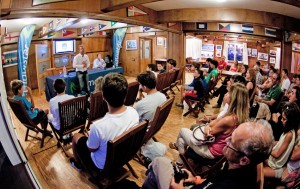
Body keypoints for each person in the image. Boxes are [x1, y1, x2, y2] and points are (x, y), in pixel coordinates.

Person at [143, 120, 274, 189]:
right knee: (158, 167)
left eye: (231, 142)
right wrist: (197, 180)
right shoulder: (244, 170)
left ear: (244, 160)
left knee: (159, 163)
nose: (226, 141)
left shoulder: (230, 185)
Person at [69, 73, 139, 171]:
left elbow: (91, 149)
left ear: (103, 97)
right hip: (124, 156)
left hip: (102, 165)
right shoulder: (134, 112)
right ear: (125, 95)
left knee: (76, 136)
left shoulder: (98, 127)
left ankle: (78, 164)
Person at [171, 83, 249, 160]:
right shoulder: (237, 116)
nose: (225, 94)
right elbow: (212, 124)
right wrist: (208, 126)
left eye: (228, 93)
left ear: (233, 98)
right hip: (219, 150)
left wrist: (207, 127)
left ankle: (180, 161)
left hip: (211, 151)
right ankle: (180, 162)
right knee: (181, 140)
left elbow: (207, 133)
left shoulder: (228, 119)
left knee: (182, 131)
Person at [264, 102, 298, 179]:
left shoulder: (289, 134)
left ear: (291, 120)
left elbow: (277, 154)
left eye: (284, 119)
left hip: (275, 164)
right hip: (273, 160)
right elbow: (279, 143)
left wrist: (266, 148)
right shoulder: (288, 131)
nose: (281, 120)